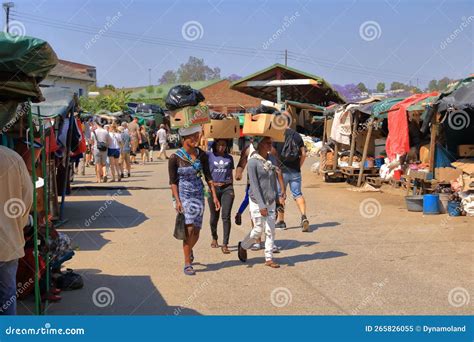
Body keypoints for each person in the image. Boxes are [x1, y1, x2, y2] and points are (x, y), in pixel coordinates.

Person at [168, 125, 220, 276]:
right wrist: (177, 200)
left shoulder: (202, 155)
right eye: (193, 137)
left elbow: (208, 177)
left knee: (196, 230)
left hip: (199, 194)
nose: (197, 139)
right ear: (185, 139)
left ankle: (189, 250)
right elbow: (172, 182)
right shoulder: (175, 158)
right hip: (184, 196)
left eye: (197, 136)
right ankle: (187, 263)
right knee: (188, 229)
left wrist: (214, 196)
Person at [237, 137, 286, 268]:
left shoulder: (272, 159)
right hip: (256, 201)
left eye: (271, 142)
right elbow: (254, 185)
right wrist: (261, 205)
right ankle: (243, 246)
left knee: (271, 230)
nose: (271, 145)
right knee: (258, 230)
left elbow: (273, 180)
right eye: (268, 143)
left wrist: (277, 198)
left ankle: (269, 258)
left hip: (270, 200)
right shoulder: (253, 162)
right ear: (260, 145)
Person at [0, 146, 33, 315]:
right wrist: (17, 225)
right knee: (7, 296)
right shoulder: (13, 158)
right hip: (8, 242)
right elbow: (27, 196)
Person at [273, 116, 310, 232]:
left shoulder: (277, 135)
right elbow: (303, 154)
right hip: (295, 171)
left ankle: (281, 221)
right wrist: (298, 165)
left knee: (281, 195)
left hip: (281, 171)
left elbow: (272, 154)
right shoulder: (297, 136)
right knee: (297, 194)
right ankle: (304, 216)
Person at [207, 139, 235, 254]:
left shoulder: (229, 158)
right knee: (214, 216)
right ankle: (214, 237)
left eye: (224, 145)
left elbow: (231, 174)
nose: (222, 147)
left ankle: (225, 244)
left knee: (226, 216)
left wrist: (232, 188)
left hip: (227, 188)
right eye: (219, 145)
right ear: (215, 145)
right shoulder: (209, 155)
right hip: (213, 189)